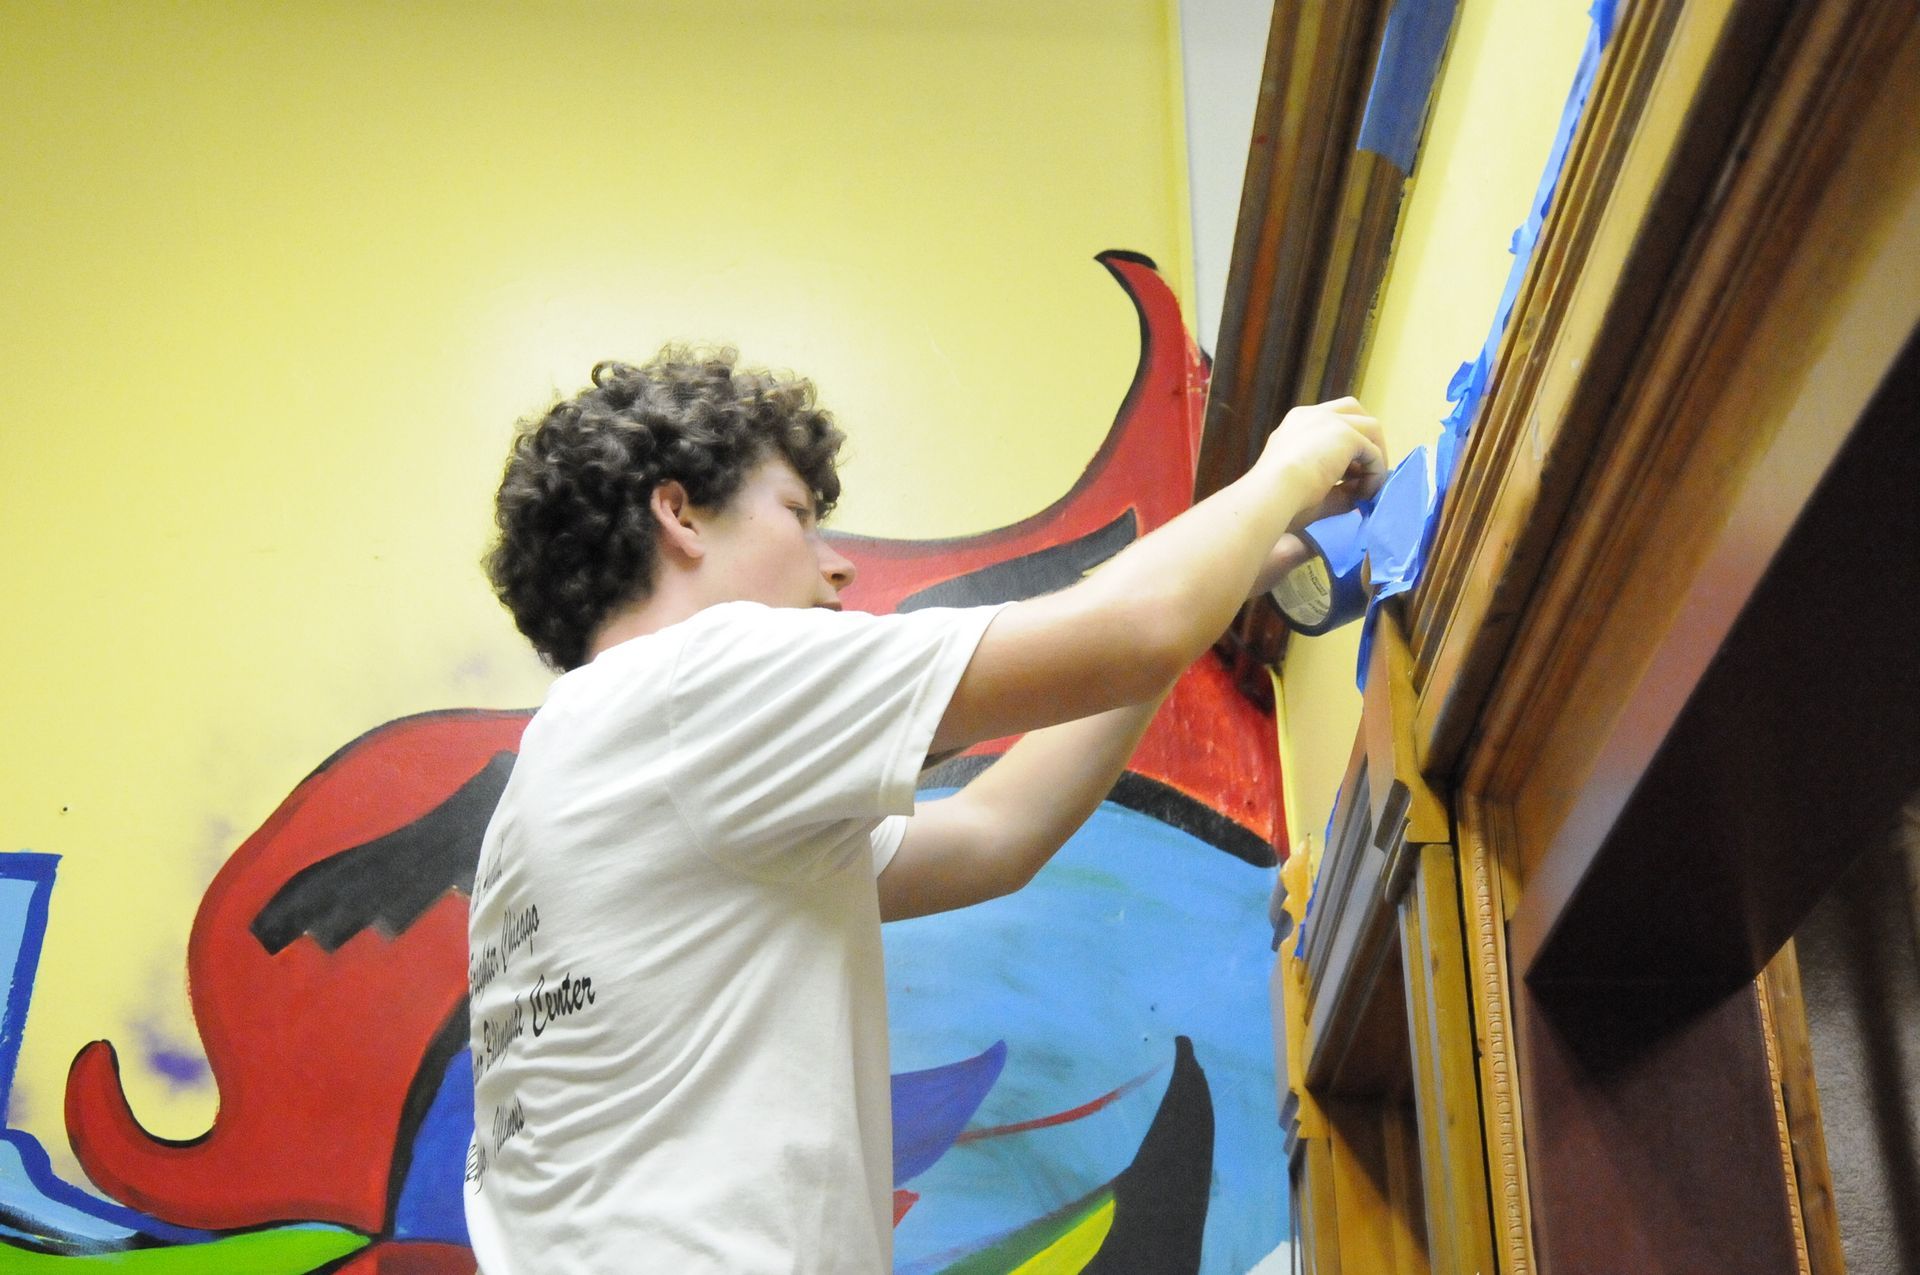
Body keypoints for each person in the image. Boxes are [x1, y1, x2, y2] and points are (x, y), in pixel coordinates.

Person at [463, 347, 1385, 1273]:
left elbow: (996, 834)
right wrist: (1291, 469)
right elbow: (1133, 630)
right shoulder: (688, 690)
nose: (836, 571)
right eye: (797, 516)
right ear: (679, 515)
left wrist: (1251, 566)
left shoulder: (591, 779)